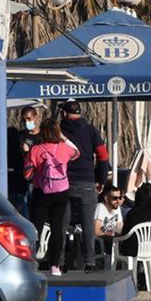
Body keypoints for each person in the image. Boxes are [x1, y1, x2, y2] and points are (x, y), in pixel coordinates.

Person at [24, 117, 79, 276]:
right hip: (61, 192)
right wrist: (63, 137)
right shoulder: (64, 148)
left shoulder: (36, 149)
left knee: (36, 229)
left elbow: (26, 174)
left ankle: (31, 262)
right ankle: (55, 265)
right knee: (57, 230)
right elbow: (77, 153)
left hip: (41, 192)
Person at [59, 100, 109, 272]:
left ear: (64, 113)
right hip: (87, 181)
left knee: (62, 223)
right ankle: (89, 262)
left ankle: (59, 262)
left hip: (63, 182)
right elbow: (103, 156)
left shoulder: (59, 131)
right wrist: (101, 180)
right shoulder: (90, 130)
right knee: (88, 224)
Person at [7, 105, 41, 217]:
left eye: (29, 119)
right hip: (22, 179)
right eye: (24, 120)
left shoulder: (43, 136)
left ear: (36, 117)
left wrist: (29, 152)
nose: (27, 122)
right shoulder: (20, 136)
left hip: (39, 179)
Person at [93, 184, 127, 265]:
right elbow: (96, 232)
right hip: (99, 242)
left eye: (120, 198)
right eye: (115, 198)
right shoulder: (100, 208)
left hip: (112, 240)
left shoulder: (117, 208)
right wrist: (113, 236)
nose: (118, 201)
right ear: (106, 198)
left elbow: (119, 228)